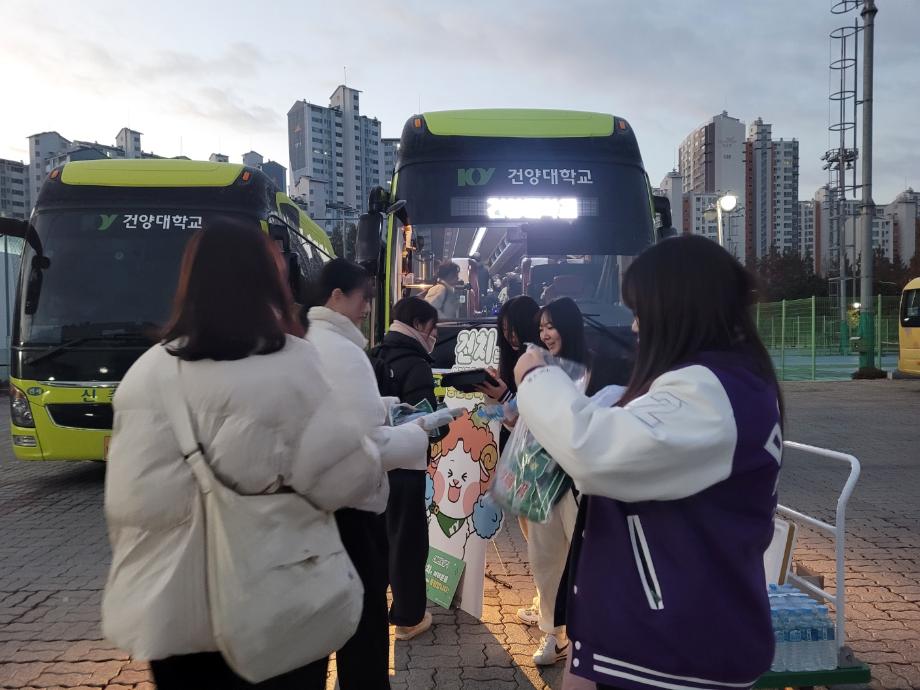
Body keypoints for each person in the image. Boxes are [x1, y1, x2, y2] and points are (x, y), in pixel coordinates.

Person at [102, 217, 384, 690]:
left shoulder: (145, 375)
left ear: (188, 283)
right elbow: (347, 479)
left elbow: (126, 504)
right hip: (277, 606)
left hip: (171, 618)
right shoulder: (291, 365)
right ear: (268, 282)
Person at [513, 235, 782, 690]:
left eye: (640, 312)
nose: (635, 327)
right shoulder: (724, 382)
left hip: (674, 650)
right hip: (649, 635)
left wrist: (536, 378)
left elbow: (594, 451)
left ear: (678, 310)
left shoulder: (712, 392)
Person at [306, 260, 432, 689]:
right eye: (363, 298)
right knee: (364, 631)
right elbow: (366, 445)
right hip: (353, 511)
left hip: (314, 513)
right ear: (337, 296)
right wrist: (416, 434)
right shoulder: (343, 351)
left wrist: (385, 407)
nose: (366, 308)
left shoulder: (307, 342)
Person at [373, 297, 440, 640]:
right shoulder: (416, 364)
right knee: (408, 542)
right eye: (432, 327)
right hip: (406, 466)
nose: (435, 334)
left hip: (374, 463)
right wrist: (443, 420)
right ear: (418, 324)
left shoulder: (374, 355)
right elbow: (427, 421)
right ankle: (409, 618)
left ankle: (373, 606)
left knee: (380, 539)